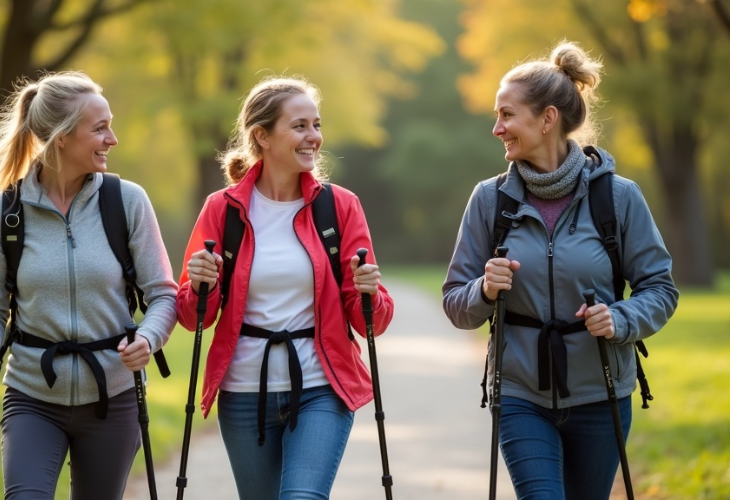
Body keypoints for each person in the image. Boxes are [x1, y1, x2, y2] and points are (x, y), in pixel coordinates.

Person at [442, 41, 678, 499]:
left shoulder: (618, 197)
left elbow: (660, 288)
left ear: (547, 119)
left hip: (601, 393)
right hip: (519, 394)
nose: (497, 128)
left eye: (507, 115)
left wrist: (621, 319)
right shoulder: (490, 200)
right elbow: (456, 303)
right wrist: (484, 292)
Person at [175, 76, 394, 500]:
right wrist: (203, 282)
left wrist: (370, 293)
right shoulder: (223, 209)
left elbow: (372, 321)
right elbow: (191, 316)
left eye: (316, 124)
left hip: (320, 387)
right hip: (242, 394)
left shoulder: (339, 205)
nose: (314, 137)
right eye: (299, 126)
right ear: (263, 136)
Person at [0, 71, 178, 499]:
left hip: (113, 395)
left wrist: (150, 339)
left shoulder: (127, 201)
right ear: (61, 138)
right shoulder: (3, 214)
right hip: (31, 395)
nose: (112, 139)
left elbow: (163, 294)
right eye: (99, 129)